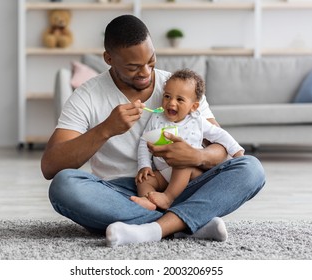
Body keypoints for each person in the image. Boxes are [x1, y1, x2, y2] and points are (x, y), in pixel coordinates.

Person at [41, 14, 265, 247]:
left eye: (151, 61)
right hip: (119, 193)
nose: (146, 73)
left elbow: (221, 148)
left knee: (251, 168)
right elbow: (50, 166)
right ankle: (186, 223)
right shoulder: (87, 96)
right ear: (109, 58)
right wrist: (105, 129)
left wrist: (197, 156)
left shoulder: (178, 88)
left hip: (182, 183)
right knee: (64, 185)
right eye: (133, 67)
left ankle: (152, 227)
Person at [132, 69, 245, 211]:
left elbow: (220, 135)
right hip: (164, 173)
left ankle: (168, 198)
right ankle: (146, 201)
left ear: (194, 106)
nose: (171, 103)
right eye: (167, 96)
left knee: (182, 161)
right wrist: (144, 166)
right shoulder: (156, 118)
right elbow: (145, 141)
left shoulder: (197, 121)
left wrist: (237, 152)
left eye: (179, 99)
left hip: (190, 172)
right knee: (144, 180)